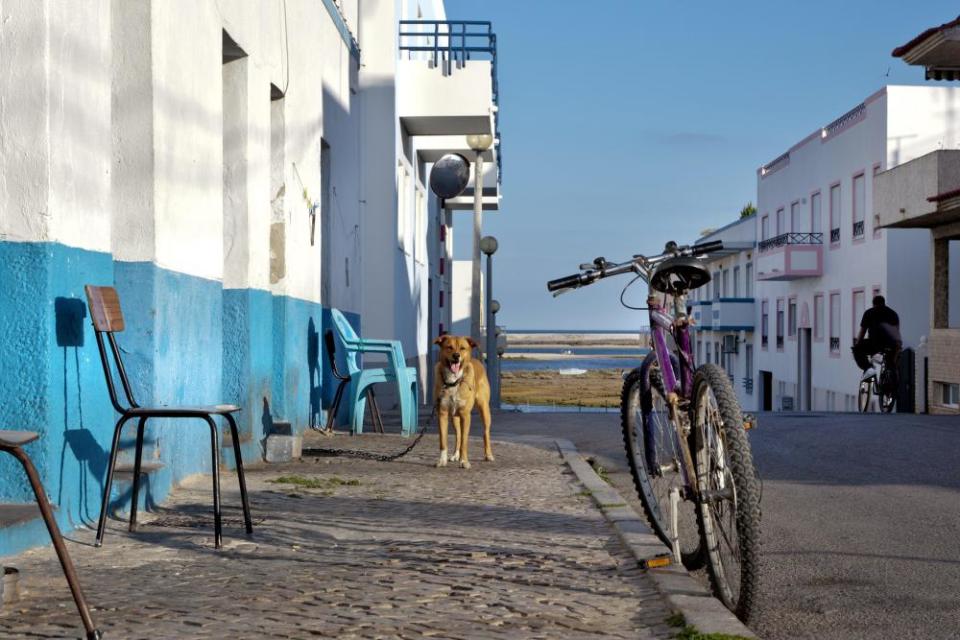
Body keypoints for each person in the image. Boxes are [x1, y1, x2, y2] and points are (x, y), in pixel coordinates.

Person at [852, 295, 901, 372]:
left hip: (874, 344)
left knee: (857, 349)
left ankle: (868, 368)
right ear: (884, 303)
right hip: (890, 345)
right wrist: (897, 349)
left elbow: (862, 332)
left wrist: (857, 344)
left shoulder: (869, 313)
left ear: (873, 304)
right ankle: (891, 371)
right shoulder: (893, 314)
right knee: (891, 365)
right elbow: (897, 334)